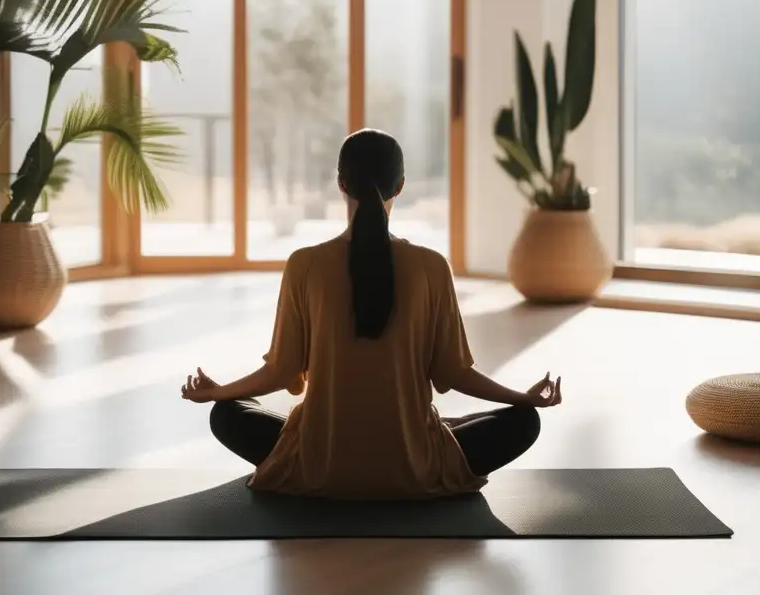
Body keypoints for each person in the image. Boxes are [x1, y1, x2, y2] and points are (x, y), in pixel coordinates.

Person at [181, 128, 563, 500]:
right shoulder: (431, 266)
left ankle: (418, 435)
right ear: (399, 187)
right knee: (523, 421)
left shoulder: (304, 265)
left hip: (319, 468)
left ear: (340, 183)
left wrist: (218, 392)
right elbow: (454, 374)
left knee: (227, 413)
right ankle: (431, 434)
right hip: (416, 468)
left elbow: (282, 372)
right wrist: (522, 398)